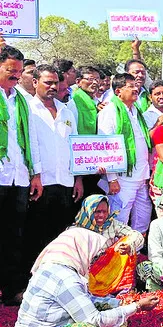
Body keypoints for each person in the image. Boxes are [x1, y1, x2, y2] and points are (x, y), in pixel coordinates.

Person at [13, 227, 159, 327]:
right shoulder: (66, 278)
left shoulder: (52, 266)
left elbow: (84, 299)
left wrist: (119, 303)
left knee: (113, 318)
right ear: (82, 250)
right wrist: (137, 306)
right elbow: (93, 319)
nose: (93, 261)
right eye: (93, 255)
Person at [27, 64, 84, 264]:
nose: (53, 86)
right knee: (37, 234)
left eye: (56, 83)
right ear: (35, 83)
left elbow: (75, 146)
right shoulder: (28, 110)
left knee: (60, 234)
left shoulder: (66, 111)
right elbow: (30, 145)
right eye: (47, 82)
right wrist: (36, 175)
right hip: (41, 182)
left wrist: (78, 179)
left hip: (66, 182)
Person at [0, 45, 42, 306]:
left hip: (18, 177)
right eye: (10, 71)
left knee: (14, 236)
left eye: (18, 72)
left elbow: (32, 140)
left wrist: (35, 174)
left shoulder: (22, 100)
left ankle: (12, 288)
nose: (16, 76)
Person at [97, 73, 152, 235]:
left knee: (142, 217)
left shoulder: (137, 111)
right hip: (122, 178)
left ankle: (134, 253)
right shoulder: (110, 111)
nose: (136, 88)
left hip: (142, 175)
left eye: (136, 85)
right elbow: (105, 146)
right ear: (118, 91)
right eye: (130, 86)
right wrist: (112, 178)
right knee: (119, 219)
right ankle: (116, 256)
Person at [73, 194, 145, 296]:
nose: (102, 216)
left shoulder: (111, 224)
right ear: (88, 211)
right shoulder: (75, 230)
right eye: (97, 212)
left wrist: (128, 245)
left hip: (108, 270)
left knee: (128, 242)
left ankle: (122, 289)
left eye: (105, 212)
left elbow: (137, 235)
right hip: (87, 273)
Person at [68, 66, 101, 134]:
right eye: (90, 79)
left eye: (97, 79)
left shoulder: (97, 102)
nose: (95, 82)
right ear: (78, 82)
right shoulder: (74, 102)